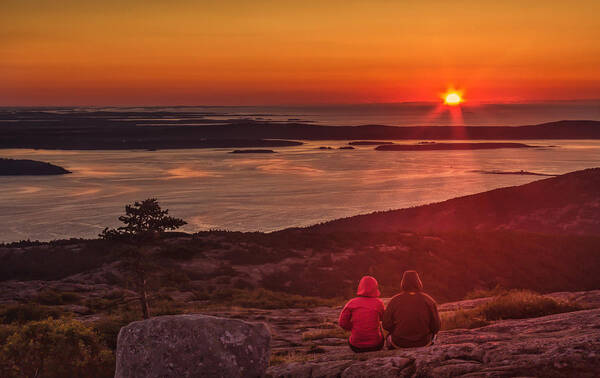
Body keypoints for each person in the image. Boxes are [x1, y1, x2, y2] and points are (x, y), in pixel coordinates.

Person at [383, 270, 441, 348]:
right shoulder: (428, 300)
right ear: (418, 282)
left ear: (403, 282)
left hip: (399, 343)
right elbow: (436, 326)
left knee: (388, 337)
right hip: (423, 342)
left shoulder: (394, 300)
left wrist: (398, 329)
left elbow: (386, 325)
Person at [338, 275, 385, 353]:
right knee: (380, 328)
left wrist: (353, 328)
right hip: (376, 346)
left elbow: (342, 323)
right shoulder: (378, 303)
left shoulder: (352, 303)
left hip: (356, 346)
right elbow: (384, 319)